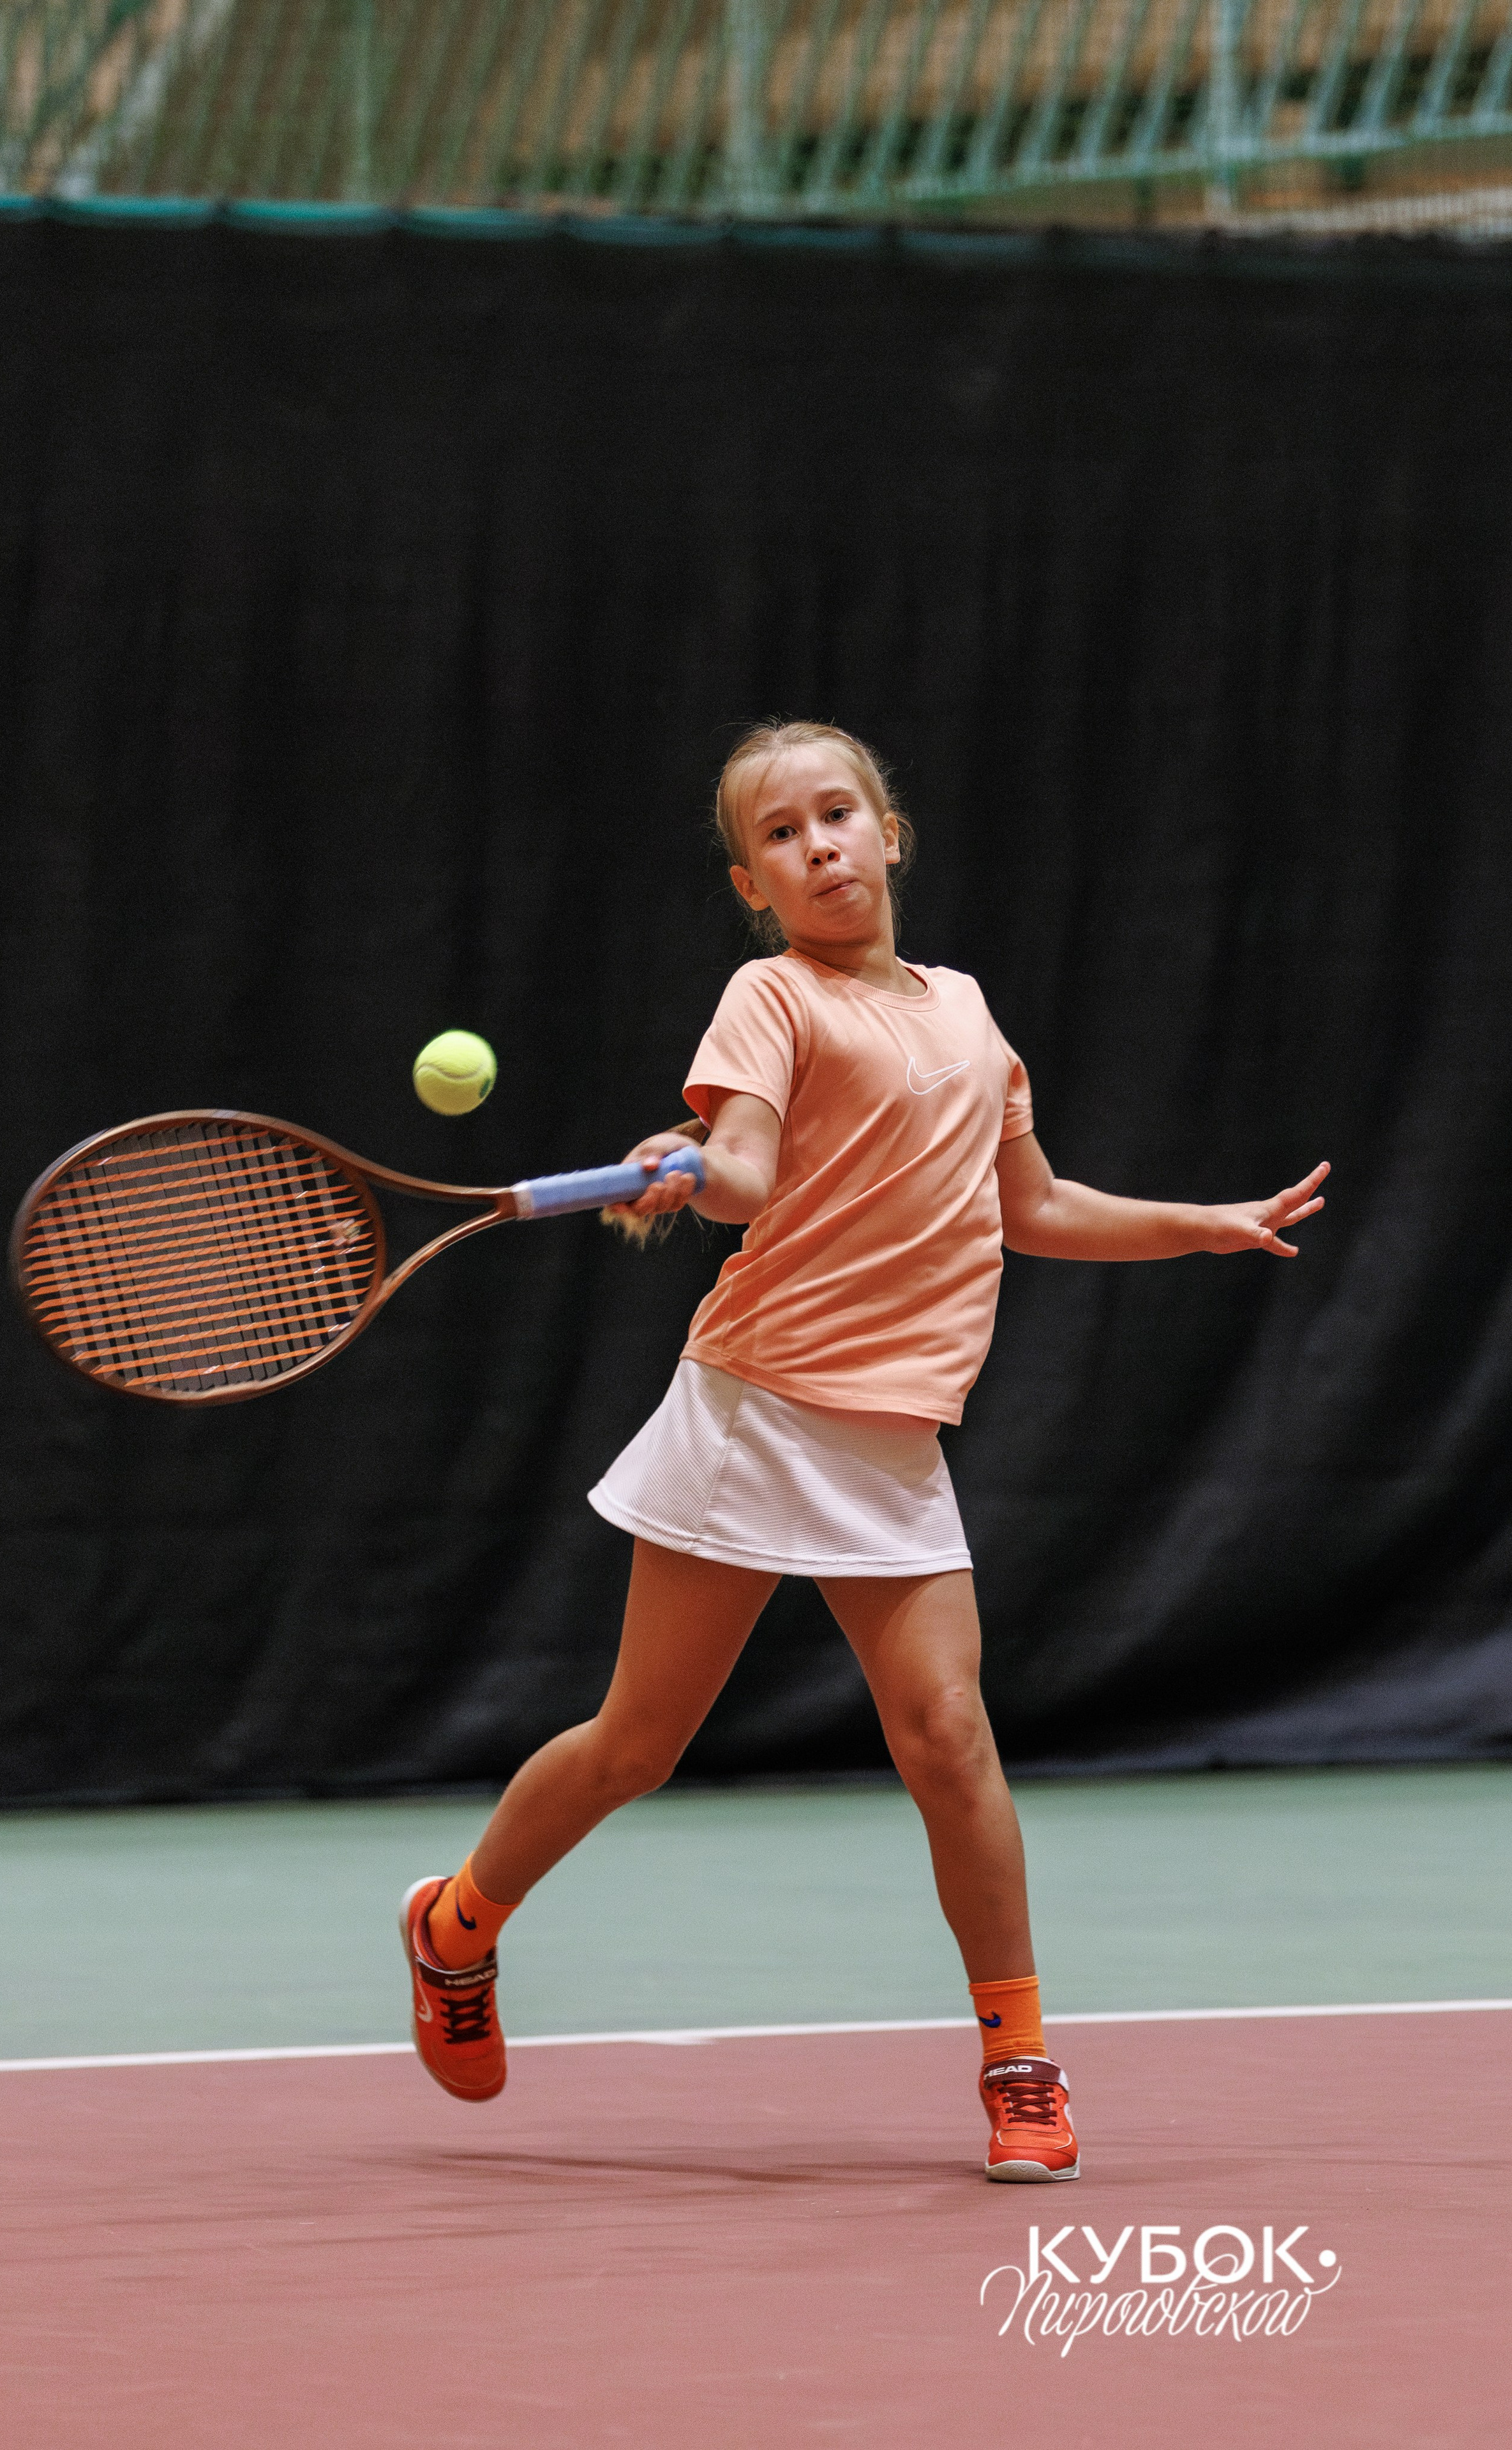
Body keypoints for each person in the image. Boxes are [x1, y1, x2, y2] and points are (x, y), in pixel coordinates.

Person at [400, 719, 1329, 2183]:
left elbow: (1027, 1203)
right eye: (781, 833)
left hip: (893, 1440)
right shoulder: (766, 996)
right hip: (755, 1408)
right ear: (749, 882)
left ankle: (1017, 2057)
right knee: (636, 1742)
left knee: (948, 1740)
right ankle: (456, 1922)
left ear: (888, 835)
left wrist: (1198, 1221)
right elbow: (751, 1172)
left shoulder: (967, 1012)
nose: (817, 842)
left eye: (837, 813)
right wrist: (694, 1165)